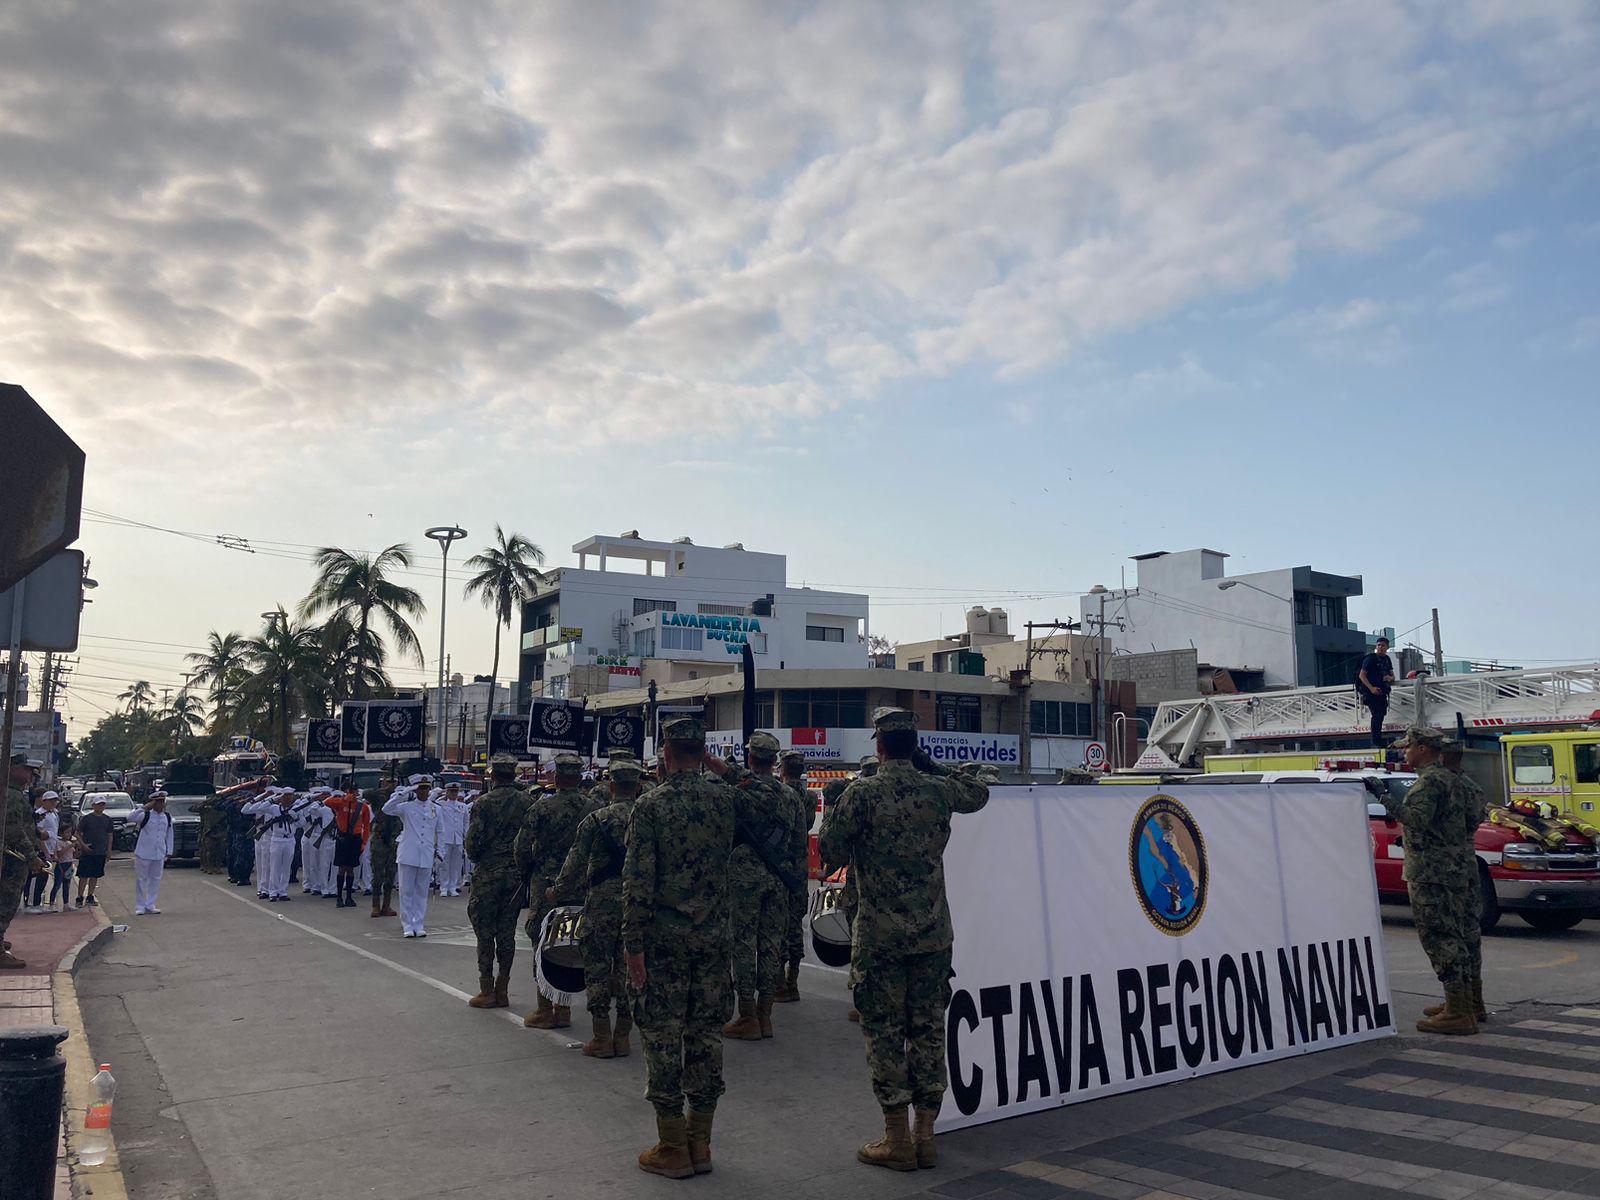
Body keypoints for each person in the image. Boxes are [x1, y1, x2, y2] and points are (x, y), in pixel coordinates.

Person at [818, 708, 991, 1172]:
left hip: (880, 937)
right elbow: (978, 792)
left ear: (878, 746)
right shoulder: (938, 790)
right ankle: (926, 1135)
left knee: (886, 1033)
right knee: (929, 1031)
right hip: (934, 935)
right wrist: (928, 762)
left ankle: (897, 1138)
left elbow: (829, 851)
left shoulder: (862, 794)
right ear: (913, 744)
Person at [622, 717, 741, 1178]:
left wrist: (633, 946)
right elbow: (768, 797)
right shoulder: (725, 800)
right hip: (713, 941)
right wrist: (723, 769)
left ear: (667, 754)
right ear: (704, 751)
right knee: (707, 1037)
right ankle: (701, 1143)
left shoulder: (651, 806)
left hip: (664, 943)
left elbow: (638, 881)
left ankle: (672, 1147)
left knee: (663, 1037)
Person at [550, 754, 644, 1058]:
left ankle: (602, 1035)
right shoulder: (648, 815)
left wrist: (558, 891)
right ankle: (624, 1035)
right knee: (631, 968)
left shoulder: (596, 820)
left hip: (602, 901)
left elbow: (574, 863)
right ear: (638, 785)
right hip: (637, 903)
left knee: (598, 968)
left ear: (612, 785)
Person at [1388, 726, 1480, 1035]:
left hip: (1430, 871)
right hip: (1454, 867)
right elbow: (1468, 820)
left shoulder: (1429, 783)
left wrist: (1386, 800)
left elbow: (1416, 819)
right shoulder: (1455, 780)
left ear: (1423, 750)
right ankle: (1468, 1002)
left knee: (1440, 936)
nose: (1405, 752)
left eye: (1409, 747)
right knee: (1463, 934)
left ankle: (1458, 1011)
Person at [722, 731, 804, 1041]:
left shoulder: (740, 793)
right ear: (774, 762)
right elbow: (798, 847)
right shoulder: (791, 797)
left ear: (751, 759)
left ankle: (747, 1015)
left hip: (744, 878)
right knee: (770, 945)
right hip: (779, 879)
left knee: (743, 944)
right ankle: (765, 1014)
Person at [515, 751, 595, 1030]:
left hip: (547, 884)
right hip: (580, 885)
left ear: (557, 777)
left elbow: (522, 846)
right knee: (568, 943)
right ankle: (564, 1008)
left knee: (542, 941)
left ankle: (545, 1008)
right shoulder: (592, 807)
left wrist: (528, 872)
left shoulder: (542, 807)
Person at [464, 755, 532, 1009]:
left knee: (484, 932)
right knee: (507, 932)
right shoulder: (528, 802)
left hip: (489, 873)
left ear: (493, 776)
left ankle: (486, 988)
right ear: (513, 774)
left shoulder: (483, 803)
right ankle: (503, 988)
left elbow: (473, 843)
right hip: (514, 874)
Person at [1432, 739, 1489, 1024]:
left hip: (1445, 867)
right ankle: (1471, 1000)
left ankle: (1459, 1005)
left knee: (1447, 932)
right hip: (1467, 862)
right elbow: (1475, 820)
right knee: (1468, 933)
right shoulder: (1471, 787)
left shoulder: (1443, 787)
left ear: (1440, 757)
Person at [1, 754, 48, 968]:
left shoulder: (15, 794)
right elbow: (13, 831)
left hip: (13, 857)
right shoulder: (11, 794)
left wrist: (37, 832)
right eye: (27, 770)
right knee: (5, 903)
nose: (31, 775)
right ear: (12, 768)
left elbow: (21, 824)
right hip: (11, 859)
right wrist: (32, 858)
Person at [384, 776, 442, 938]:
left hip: (426, 854)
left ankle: (419, 923)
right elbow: (386, 809)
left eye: (426, 788)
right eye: (420, 788)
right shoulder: (406, 807)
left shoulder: (436, 809)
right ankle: (407, 924)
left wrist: (441, 852)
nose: (424, 791)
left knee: (422, 892)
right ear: (415, 790)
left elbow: (440, 831)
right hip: (408, 853)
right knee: (406, 891)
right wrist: (404, 792)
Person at [773, 749, 811, 1003]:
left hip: (779, 865)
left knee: (776, 925)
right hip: (799, 867)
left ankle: (777, 982)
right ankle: (793, 979)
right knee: (795, 923)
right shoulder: (807, 797)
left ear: (783, 768)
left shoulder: (779, 794)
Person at [324, 784, 371, 908]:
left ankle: (349, 896)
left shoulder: (363, 807)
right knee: (342, 868)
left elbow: (366, 826)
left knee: (351, 868)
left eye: (354, 790)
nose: (353, 793)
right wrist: (344, 799)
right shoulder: (341, 803)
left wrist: (364, 842)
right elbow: (327, 802)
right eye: (350, 791)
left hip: (355, 839)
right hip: (342, 837)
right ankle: (339, 897)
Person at [133, 791, 175, 915]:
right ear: (153, 803)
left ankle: (150, 904)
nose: (161, 804)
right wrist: (144, 807)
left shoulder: (167, 816)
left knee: (155, 879)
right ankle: (140, 905)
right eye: (158, 802)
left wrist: (169, 851)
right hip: (144, 852)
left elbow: (169, 834)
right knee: (141, 880)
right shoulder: (145, 815)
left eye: (162, 802)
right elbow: (130, 817)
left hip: (159, 852)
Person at [368, 785, 401, 918]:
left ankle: (386, 905)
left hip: (393, 842)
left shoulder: (399, 801)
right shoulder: (379, 801)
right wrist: (384, 790)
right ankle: (375, 905)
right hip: (380, 842)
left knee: (390, 875)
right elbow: (367, 793)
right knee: (377, 875)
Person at [76, 795, 114, 910]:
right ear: (93, 805)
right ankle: (79, 896)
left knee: (95, 875)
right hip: (88, 852)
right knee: (83, 875)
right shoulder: (87, 818)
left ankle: (90, 895)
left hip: (100, 851)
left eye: (102, 804)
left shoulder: (107, 819)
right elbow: (77, 832)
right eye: (98, 804)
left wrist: (109, 850)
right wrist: (82, 845)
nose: (100, 806)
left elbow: (110, 836)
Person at [25, 790, 61, 912]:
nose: (54, 803)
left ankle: (38, 902)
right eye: (51, 800)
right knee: (36, 876)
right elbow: (37, 835)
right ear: (44, 801)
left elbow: (55, 835)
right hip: (41, 850)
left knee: (44, 878)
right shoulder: (39, 815)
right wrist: (45, 851)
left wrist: (54, 852)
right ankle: (31, 903)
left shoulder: (55, 814)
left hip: (51, 849)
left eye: (55, 800)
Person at [1358, 637, 1397, 747]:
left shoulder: (1387, 659)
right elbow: (1362, 675)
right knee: (1377, 715)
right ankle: (1376, 740)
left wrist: (1390, 678)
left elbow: (1392, 675)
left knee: (1381, 714)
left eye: (1383, 645)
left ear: (1387, 647)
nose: (1380, 647)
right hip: (1370, 692)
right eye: (1378, 645)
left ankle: (1378, 739)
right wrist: (1371, 688)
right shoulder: (1370, 659)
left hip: (1382, 691)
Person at [436, 782, 468, 896]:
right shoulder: (441, 804)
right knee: (444, 863)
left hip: (458, 838)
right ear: (447, 792)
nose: (454, 794)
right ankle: (444, 887)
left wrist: (466, 836)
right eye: (451, 791)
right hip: (446, 838)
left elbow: (465, 822)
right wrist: (441, 795)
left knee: (456, 864)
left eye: (455, 792)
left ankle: (453, 886)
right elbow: (433, 802)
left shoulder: (462, 806)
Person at [49, 810, 82, 912]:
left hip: (69, 864)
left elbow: (74, 855)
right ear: (62, 833)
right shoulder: (59, 843)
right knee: (57, 884)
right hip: (61, 865)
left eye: (69, 832)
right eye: (66, 832)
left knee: (67, 884)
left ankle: (66, 904)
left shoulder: (69, 842)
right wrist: (69, 846)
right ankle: (51, 903)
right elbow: (59, 854)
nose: (68, 834)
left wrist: (77, 848)